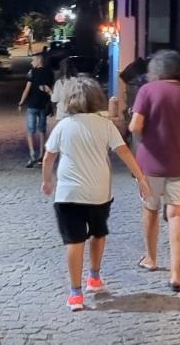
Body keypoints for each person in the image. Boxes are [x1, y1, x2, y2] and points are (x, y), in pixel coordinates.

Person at [41, 77, 152, 312]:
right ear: (96, 99)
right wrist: (141, 178)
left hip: (68, 193)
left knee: (74, 241)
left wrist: (47, 181)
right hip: (99, 192)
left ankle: (75, 294)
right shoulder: (106, 125)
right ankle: (94, 277)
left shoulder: (63, 125)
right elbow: (124, 152)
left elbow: (49, 157)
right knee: (98, 233)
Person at [129, 50, 180, 291]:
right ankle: (175, 274)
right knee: (177, 214)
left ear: (155, 70)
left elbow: (135, 126)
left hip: (150, 163)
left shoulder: (147, 91)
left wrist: (150, 136)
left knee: (150, 210)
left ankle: (151, 259)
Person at [18, 53, 55, 167]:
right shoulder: (50, 73)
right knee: (42, 130)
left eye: (33, 60)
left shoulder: (32, 72)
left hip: (32, 105)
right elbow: (51, 89)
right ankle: (41, 155)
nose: (31, 62)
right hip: (43, 105)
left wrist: (21, 102)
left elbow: (27, 89)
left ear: (39, 61)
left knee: (30, 130)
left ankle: (32, 154)